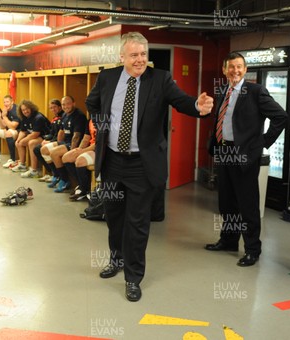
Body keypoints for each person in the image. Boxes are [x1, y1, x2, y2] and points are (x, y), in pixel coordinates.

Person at [85, 32, 214, 302]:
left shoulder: (161, 79)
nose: (140, 59)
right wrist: (102, 124)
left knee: (138, 222)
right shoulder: (107, 78)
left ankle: (133, 278)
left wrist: (197, 106)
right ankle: (116, 260)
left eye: (144, 54)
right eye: (134, 55)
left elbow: (182, 102)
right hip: (112, 161)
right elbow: (92, 102)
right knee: (114, 217)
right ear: (122, 57)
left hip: (141, 165)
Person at [204, 52, 287, 267]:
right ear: (224, 70)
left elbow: (281, 117)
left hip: (244, 155)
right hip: (224, 152)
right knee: (227, 202)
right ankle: (229, 240)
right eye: (231, 67)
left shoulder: (256, 91)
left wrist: (261, 144)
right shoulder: (223, 91)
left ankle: (252, 249)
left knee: (247, 205)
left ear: (245, 69)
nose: (236, 71)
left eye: (239, 66)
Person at [41, 95, 87, 192]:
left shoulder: (79, 116)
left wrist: (72, 151)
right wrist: (58, 143)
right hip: (65, 142)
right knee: (44, 149)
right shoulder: (65, 115)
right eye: (63, 104)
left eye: (68, 104)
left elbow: (77, 137)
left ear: (73, 103)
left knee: (54, 152)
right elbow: (61, 131)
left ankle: (65, 180)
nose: (65, 106)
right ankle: (57, 175)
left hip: (74, 144)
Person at [61, 117, 96, 201]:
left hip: (101, 150)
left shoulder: (103, 120)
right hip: (90, 148)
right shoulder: (90, 120)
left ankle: (84, 190)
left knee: (80, 161)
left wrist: (82, 152)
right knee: (66, 157)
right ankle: (82, 185)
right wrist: (78, 150)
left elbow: (99, 143)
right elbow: (86, 138)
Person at [11, 100, 50, 174]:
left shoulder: (38, 117)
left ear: (31, 108)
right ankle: (22, 165)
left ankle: (34, 170)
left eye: (27, 109)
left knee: (31, 143)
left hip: (45, 136)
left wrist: (23, 140)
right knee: (18, 143)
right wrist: (18, 140)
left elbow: (35, 134)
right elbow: (23, 131)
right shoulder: (24, 118)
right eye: (23, 110)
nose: (25, 111)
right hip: (35, 136)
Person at [34, 99, 64, 182]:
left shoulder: (62, 117)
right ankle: (52, 173)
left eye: (54, 107)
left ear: (59, 107)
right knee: (37, 148)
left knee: (38, 149)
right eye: (51, 108)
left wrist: (50, 142)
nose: (53, 109)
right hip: (53, 140)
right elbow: (52, 133)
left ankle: (56, 174)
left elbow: (60, 136)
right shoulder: (55, 118)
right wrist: (45, 139)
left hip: (60, 142)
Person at [0, 95, 20, 166]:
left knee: (8, 133)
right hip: (10, 130)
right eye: (4, 102)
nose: (5, 104)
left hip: (20, 131)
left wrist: (4, 116)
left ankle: (13, 159)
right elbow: (2, 126)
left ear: (12, 102)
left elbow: (13, 127)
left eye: (7, 102)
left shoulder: (16, 110)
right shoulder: (5, 110)